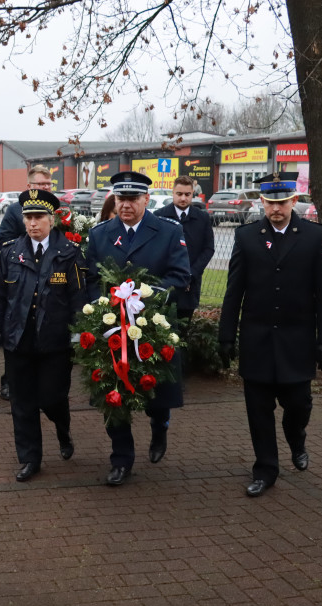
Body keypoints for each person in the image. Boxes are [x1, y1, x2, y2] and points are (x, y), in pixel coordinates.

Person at [218, 171, 322, 498]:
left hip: (297, 340)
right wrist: (226, 334)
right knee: (258, 409)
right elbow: (234, 291)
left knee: (298, 404)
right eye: (270, 203)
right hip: (256, 339)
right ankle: (266, 469)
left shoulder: (313, 236)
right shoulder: (247, 237)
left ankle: (296, 436)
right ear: (262, 202)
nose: (276, 209)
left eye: (282, 202)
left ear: (293, 201)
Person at [85, 171, 191, 486]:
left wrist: (145, 296)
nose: (126, 205)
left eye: (133, 199)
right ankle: (121, 459)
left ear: (146, 199)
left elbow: (180, 275)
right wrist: (101, 308)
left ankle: (160, 427)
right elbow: (91, 278)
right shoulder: (101, 233)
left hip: (152, 325)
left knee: (155, 393)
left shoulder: (169, 231)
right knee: (113, 394)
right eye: (121, 199)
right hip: (112, 327)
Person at [0, 189, 86, 481]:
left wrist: (79, 337)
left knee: (52, 398)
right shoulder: (11, 253)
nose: (32, 223)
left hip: (55, 343)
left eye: (39, 217)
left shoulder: (70, 254)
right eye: (28, 217)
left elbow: (79, 299)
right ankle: (30, 459)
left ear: (51, 220)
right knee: (23, 403)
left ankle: (63, 429)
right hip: (19, 340)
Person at [0, 164, 54, 400]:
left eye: (48, 184)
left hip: (52, 276)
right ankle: (9, 381)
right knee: (18, 334)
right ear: (29, 186)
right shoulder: (14, 211)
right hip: (23, 276)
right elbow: (4, 242)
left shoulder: (58, 209)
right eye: (40, 185)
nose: (45, 188)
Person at [154, 175, 215, 322]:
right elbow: (155, 250)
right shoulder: (159, 217)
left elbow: (208, 249)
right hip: (165, 283)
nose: (183, 198)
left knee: (183, 330)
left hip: (191, 285)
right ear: (172, 193)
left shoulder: (202, 218)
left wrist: (190, 275)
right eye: (179, 194)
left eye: (187, 194)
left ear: (192, 194)